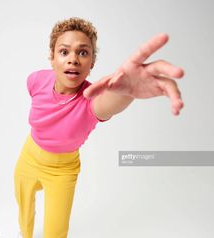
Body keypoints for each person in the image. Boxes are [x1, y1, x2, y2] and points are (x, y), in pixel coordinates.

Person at [14, 17, 184, 238]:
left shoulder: (91, 99)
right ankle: (23, 233)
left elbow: (108, 103)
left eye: (83, 53)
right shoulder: (35, 80)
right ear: (52, 58)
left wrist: (127, 90)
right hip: (29, 156)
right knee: (23, 204)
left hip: (62, 171)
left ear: (92, 62)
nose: (73, 59)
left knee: (56, 231)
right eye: (64, 52)